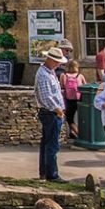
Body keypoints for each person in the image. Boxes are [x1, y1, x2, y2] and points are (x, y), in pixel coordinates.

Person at [35, 47, 67, 183]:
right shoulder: (44, 75)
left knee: (47, 143)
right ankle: (52, 174)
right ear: (50, 59)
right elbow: (47, 96)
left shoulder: (50, 72)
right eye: (57, 61)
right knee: (52, 145)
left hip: (51, 112)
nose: (58, 64)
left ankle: (45, 173)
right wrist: (58, 110)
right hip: (50, 113)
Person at [59, 57, 83, 141]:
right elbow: (85, 86)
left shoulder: (63, 75)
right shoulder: (79, 76)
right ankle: (80, 134)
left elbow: (62, 87)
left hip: (69, 100)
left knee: (69, 119)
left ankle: (78, 134)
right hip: (80, 99)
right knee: (82, 119)